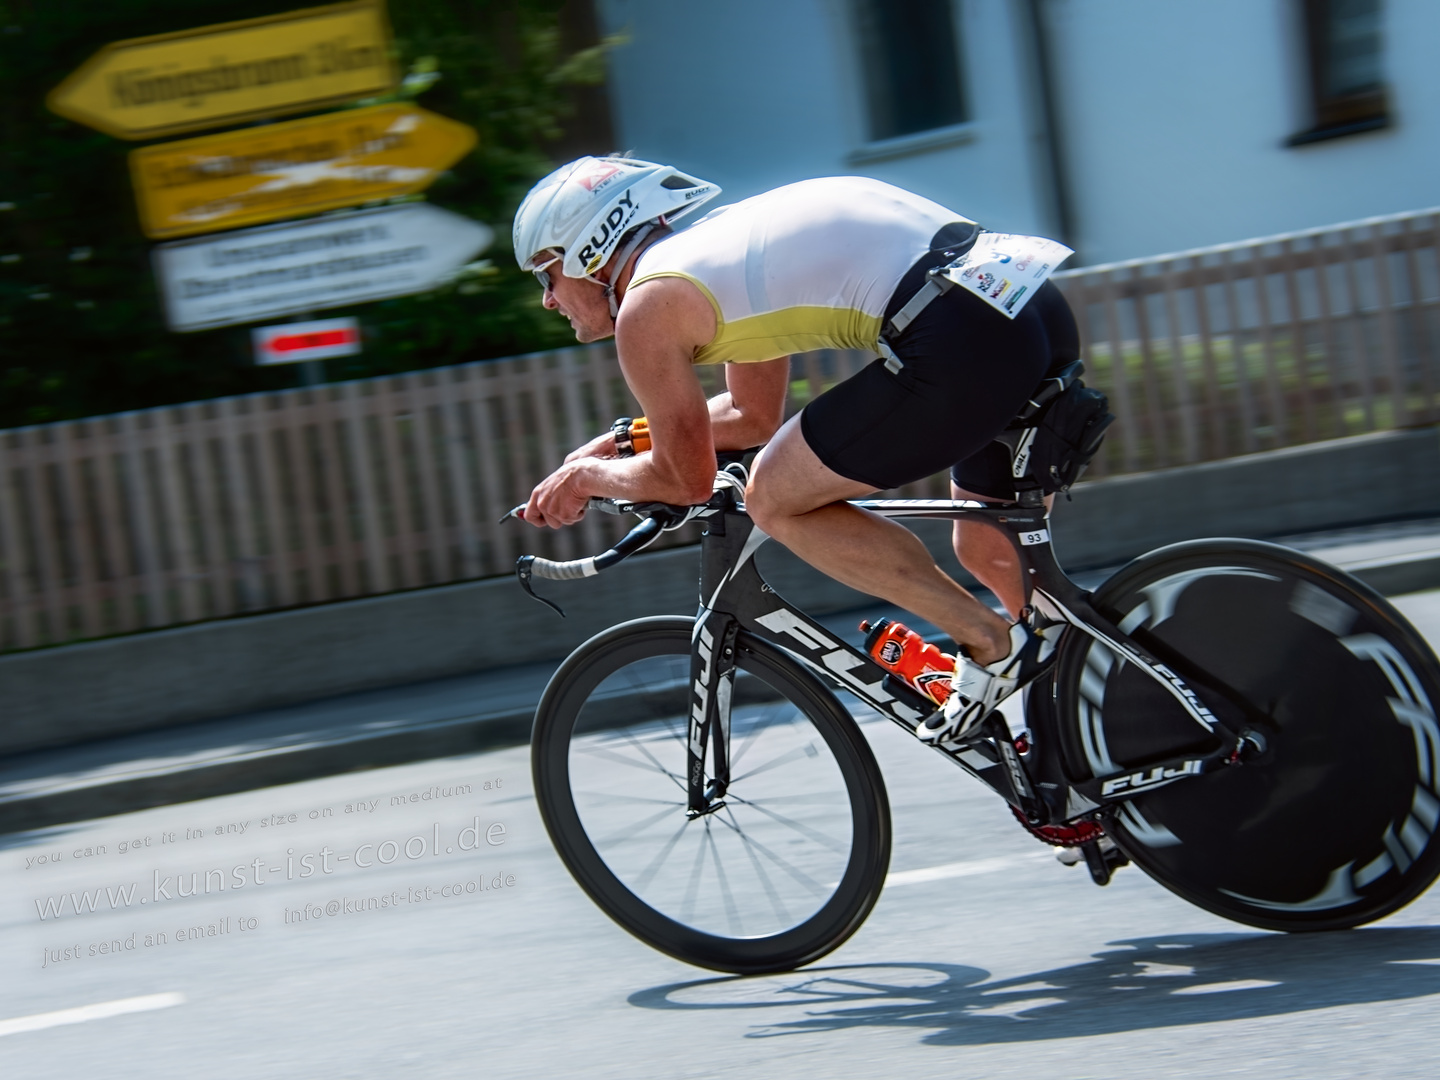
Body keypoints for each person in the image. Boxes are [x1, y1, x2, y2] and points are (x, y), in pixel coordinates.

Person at [512, 156, 1079, 743]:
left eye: (545, 276)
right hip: (1023, 297)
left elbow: (686, 481)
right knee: (993, 555)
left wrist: (583, 480)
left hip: (960, 334)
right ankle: (1097, 734)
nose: (549, 300)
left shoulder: (648, 307)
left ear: (589, 249)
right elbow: (748, 414)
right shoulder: (717, 248)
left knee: (775, 499)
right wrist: (626, 439)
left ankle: (986, 642)